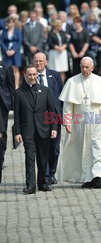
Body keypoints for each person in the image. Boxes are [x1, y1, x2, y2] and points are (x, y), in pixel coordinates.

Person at [57, 56, 101, 188]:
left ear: (92, 68)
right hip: (80, 121)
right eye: (82, 67)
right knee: (83, 149)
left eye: (87, 67)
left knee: (98, 146)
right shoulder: (72, 82)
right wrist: (67, 122)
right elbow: (67, 106)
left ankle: (99, 177)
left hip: (98, 119)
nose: (84, 69)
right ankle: (87, 177)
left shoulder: (100, 81)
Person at [14, 65, 57, 194]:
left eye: (34, 75)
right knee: (30, 158)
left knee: (43, 159)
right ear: (25, 75)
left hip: (44, 129)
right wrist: (17, 132)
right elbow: (16, 115)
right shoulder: (19, 92)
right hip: (28, 131)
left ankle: (42, 183)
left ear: (37, 76)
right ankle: (30, 186)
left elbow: (51, 111)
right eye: (30, 75)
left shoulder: (45, 90)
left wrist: (54, 127)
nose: (32, 77)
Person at [33, 52, 63, 185]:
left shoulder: (54, 75)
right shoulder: (31, 76)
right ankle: (44, 174)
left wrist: (64, 116)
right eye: (36, 61)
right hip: (38, 117)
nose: (38, 63)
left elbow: (62, 95)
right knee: (42, 147)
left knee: (54, 148)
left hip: (54, 116)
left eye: (40, 61)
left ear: (46, 62)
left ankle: (51, 172)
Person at [0, 62, 15, 183]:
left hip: (1, 105)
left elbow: (11, 87)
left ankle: (1, 157)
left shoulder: (5, 67)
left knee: (1, 132)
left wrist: (14, 105)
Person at [1, 15, 22, 88]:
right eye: (7, 23)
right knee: (7, 68)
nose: (9, 24)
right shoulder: (4, 31)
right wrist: (6, 51)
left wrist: (14, 50)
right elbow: (2, 42)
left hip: (15, 52)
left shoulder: (17, 30)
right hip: (7, 52)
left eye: (10, 22)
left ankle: (16, 85)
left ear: (13, 23)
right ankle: (8, 85)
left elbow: (19, 42)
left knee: (15, 69)